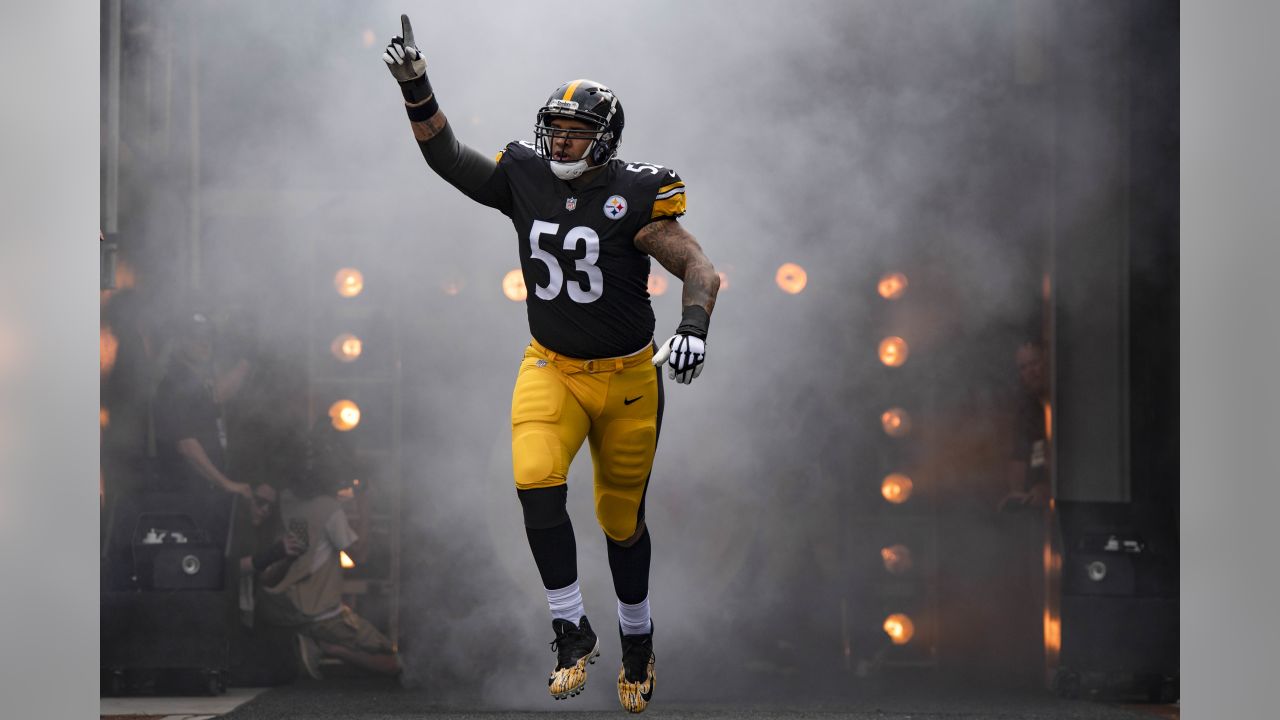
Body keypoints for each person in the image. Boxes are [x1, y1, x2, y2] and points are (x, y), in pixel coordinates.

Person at [383, 15, 720, 712]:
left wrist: (694, 326)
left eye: (575, 132)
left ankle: (637, 637)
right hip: (552, 366)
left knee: (619, 519)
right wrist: (418, 86)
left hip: (628, 379)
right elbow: (448, 157)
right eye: (555, 129)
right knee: (535, 478)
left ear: (606, 140)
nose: (560, 142)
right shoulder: (527, 176)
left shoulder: (638, 193)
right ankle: (570, 628)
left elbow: (697, 266)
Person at [258, 432, 401, 680]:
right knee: (393, 661)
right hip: (319, 613)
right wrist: (364, 505)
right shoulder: (328, 508)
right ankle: (328, 646)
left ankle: (310, 639)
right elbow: (360, 555)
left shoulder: (285, 500)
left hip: (280, 605)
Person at [152, 310, 255, 504]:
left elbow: (219, 395)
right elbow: (186, 445)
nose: (204, 342)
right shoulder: (174, 384)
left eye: (208, 336)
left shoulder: (196, 382)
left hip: (205, 493)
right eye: (195, 337)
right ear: (180, 341)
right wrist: (226, 484)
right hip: (185, 496)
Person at [997, 339, 1051, 513]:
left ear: (1048, 362)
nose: (1030, 372)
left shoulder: (1069, 404)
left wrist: (1049, 487)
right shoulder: (1028, 410)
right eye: (1023, 367)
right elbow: (1020, 456)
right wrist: (1017, 494)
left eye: (1035, 363)